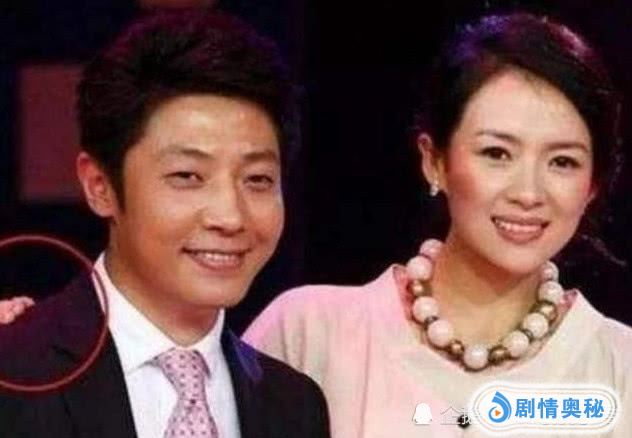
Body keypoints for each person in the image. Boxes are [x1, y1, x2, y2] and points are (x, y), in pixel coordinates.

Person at [242, 13, 632, 437]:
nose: (528, 192)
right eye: (497, 154)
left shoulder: (618, 366)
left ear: (593, 186)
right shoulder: (309, 333)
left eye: (563, 162)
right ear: (434, 161)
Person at [0, 10, 330, 438]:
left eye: (257, 179)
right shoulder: (14, 370)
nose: (230, 217)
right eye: (187, 176)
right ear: (100, 186)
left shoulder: (295, 406)